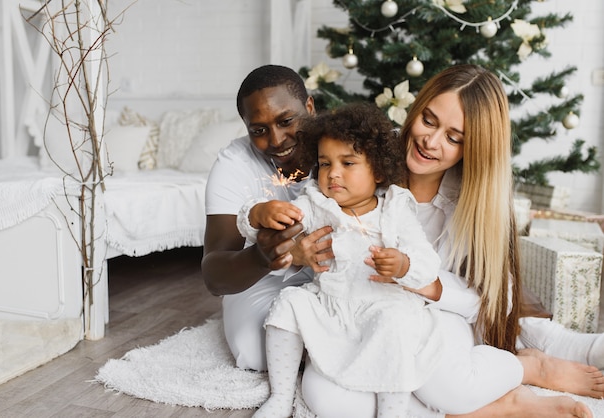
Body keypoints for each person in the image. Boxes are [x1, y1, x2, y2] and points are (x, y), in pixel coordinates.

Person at [203, 64, 601, 417]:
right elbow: (306, 210)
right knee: (326, 400)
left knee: (446, 385)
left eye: (454, 137)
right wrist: (281, 236)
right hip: (355, 311)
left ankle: (531, 369)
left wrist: (427, 284)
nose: (431, 142)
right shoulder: (365, 152)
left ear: (473, 148)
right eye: (428, 120)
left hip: (430, 313)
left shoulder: (473, 198)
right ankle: (491, 407)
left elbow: (496, 301)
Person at [238, 102, 447, 417]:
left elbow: (427, 262)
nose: (332, 173)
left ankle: (393, 412)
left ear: (377, 169)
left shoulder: (394, 209)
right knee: (291, 300)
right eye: (324, 164)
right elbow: (258, 233)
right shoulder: (317, 205)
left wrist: (404, 265)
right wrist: (259, 213)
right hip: (332, 308)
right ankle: (280, 397)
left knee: (396, 325)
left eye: (347, 163)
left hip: (382, 306)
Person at [202, 64, 332, 371]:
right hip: (263, 280)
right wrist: (264, 256)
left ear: (309, 107)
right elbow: (214, 277)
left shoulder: (339, 144)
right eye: (258, 130)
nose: (276, 140)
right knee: (255, 350)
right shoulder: (233, 164)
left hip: (336, 273)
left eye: (286, 121)